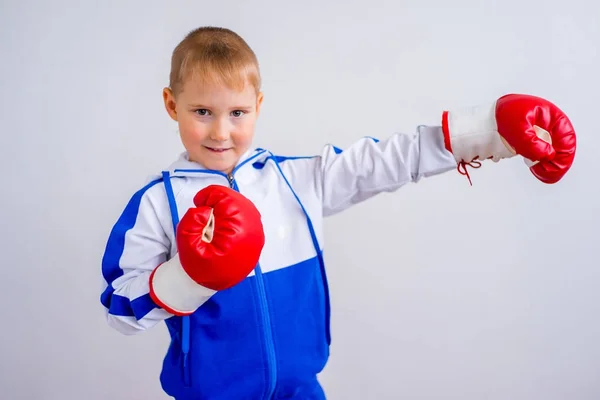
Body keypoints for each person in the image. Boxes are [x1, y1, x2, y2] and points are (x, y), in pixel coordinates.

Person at [99, 26, 576, 399]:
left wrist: (485, 131)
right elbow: (120, 309)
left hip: (302, 390)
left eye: (237, 113)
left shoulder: (295, 179)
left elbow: (385, 162)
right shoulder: (157, 204)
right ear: (171, 104)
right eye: (202, 111)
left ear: (258, 106)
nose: (221, 130)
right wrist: (189, 276)